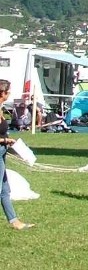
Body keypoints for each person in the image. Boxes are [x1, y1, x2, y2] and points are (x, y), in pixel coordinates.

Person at [0, 79, 34, 229]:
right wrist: (6, 140)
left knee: (5, 189)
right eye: (8, 92)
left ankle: (14, 222)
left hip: (2, 151)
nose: (9, 94)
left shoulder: (0, 108)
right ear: (2, 92)